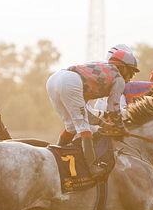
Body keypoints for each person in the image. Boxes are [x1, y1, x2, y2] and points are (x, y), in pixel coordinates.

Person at [46, 44, 139, 177]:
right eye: (131, 71)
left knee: (72, 127)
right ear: (123, 68)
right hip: (70, 81)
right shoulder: (119, 79)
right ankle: (92, 166)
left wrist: (103, 124)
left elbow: (89, 114)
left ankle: (54, 156)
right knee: (84, 128)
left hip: (54, 79)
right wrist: (120, 128)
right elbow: (113, 107)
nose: (131, 77)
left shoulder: (102, 69)